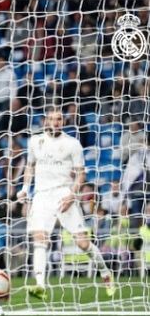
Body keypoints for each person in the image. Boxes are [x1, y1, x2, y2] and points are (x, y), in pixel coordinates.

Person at [17, 108, 115, 299]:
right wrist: (24, 187)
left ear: (63, 121)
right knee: (40, 238)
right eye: (52, 119)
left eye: (59, 119)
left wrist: (72, 195)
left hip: (64, 194)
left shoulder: (72, 144)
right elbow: (30, 166)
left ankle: (105, 273)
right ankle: (40, 286)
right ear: (45, 120)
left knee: (83, 243)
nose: (56, 122)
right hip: (41, 195)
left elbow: (81, 174)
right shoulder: (35, 141)